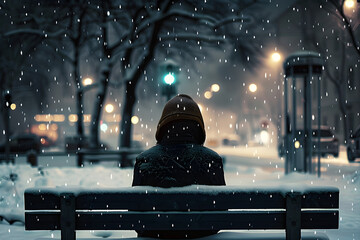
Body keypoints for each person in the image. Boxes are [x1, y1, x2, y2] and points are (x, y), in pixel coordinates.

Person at [132, 94, 225, 239]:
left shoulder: (145, 160)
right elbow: (221, 214)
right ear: (199, 127)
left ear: (163, 126)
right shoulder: (212, 160)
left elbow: (135, 215)